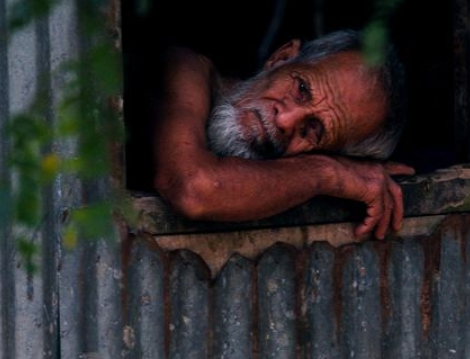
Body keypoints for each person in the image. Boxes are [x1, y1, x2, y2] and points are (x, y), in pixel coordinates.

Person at [153, 29, 412, 239]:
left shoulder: (289, 171)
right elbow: (192, 188)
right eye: (301, 89)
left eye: (313, 130)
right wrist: (328, 173)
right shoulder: (186, 68)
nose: (285, 120)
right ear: (281, 57)